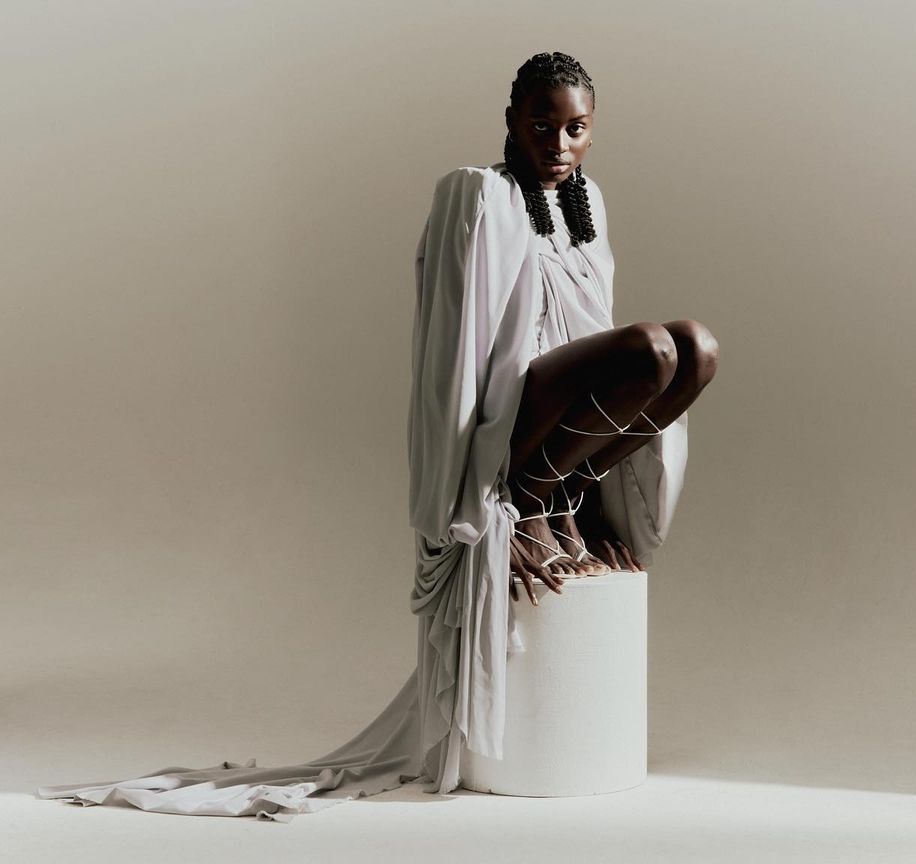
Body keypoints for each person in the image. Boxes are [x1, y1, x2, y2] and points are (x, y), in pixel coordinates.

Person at [35, 51, 717, 822]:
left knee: (694, 351)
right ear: (510, 122)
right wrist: (468, 497)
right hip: (508, 414)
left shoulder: (588, 204)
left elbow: (590, 333)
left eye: (575, 129)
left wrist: (597, 501)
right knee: (650, 350)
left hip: (561, 428)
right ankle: (530, 500)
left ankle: (566, 497)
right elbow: (453, 361)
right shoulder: (476, 194)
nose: (558, 144)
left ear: (593, 131)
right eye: (540, 126)